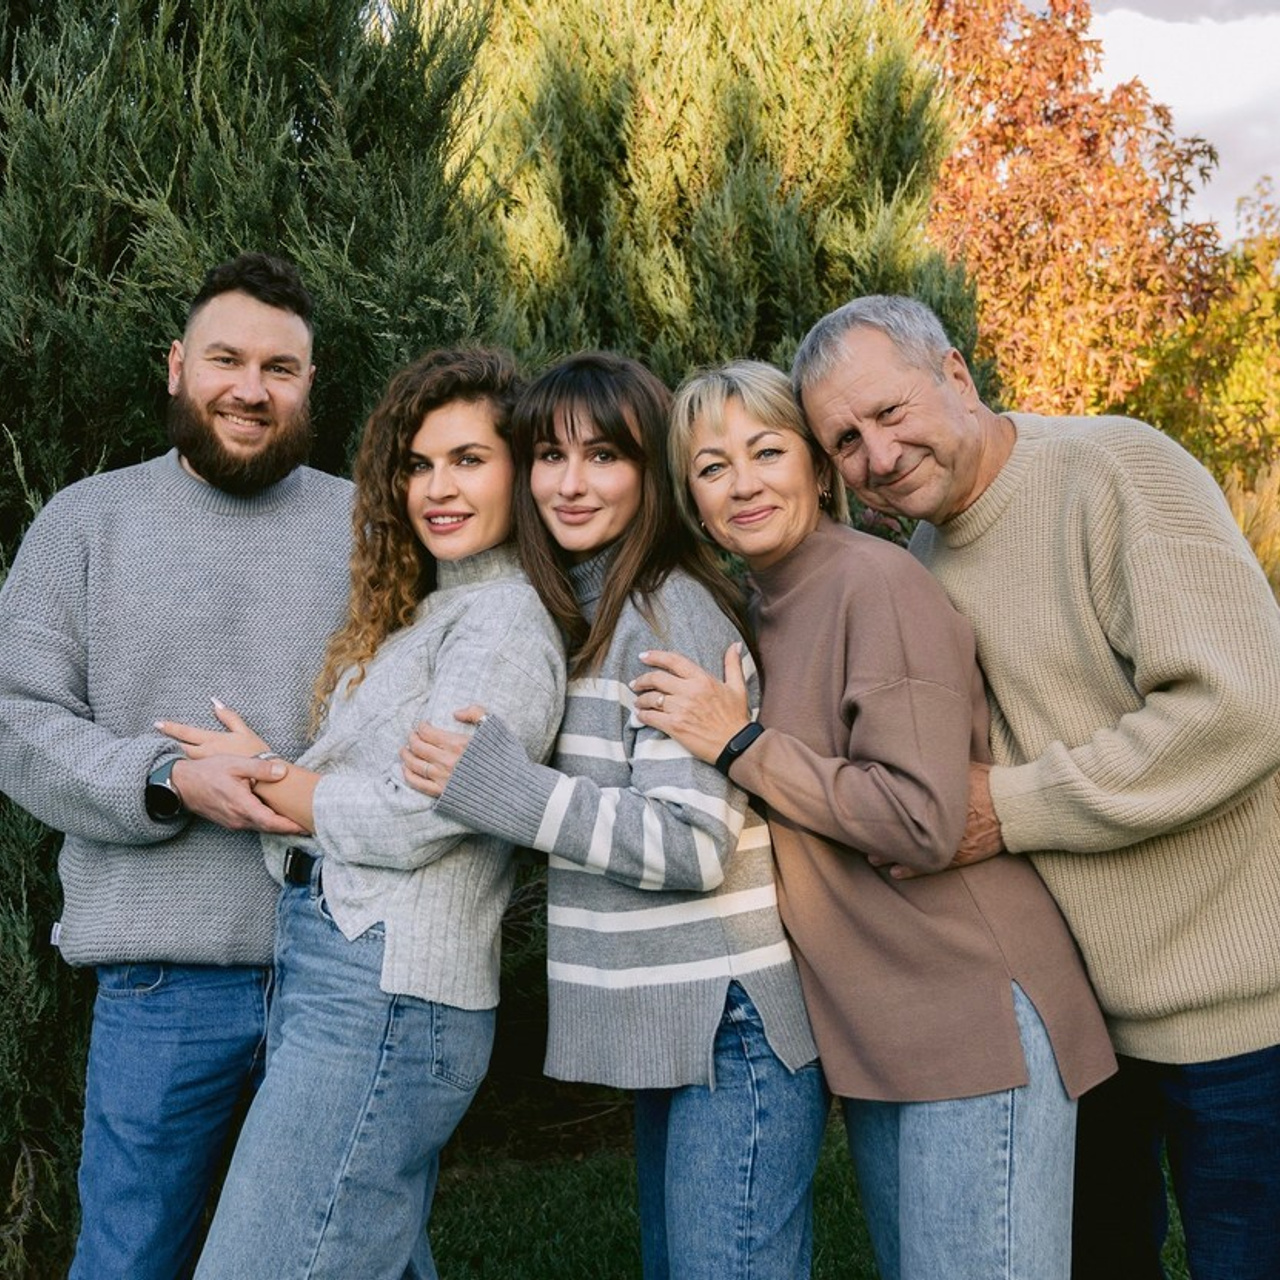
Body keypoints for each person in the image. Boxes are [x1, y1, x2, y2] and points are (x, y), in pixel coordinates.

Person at [790, 293, 1280, 1280]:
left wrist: (1006, 807)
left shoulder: (1113, 469)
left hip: (1239, 1017)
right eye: (843, 439)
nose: (876, 456)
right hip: (1085, 1025)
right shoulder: (918, 562)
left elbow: (1240, 708)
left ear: (956, 376)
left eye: (889, 414)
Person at [632, 359, 1115, 1280]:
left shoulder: (875, 584)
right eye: (711, 466)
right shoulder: (762, 605)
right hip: (880, 1024)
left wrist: (741, 745)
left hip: (970, 1011)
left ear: (818, 470)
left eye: (768, 451)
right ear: (691, 500)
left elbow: (925, 819)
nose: (744, 483)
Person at [400, 352, 828, 1280]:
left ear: (651, 474)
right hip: (683, 1023)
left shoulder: (668, 615)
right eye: (549, 457)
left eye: (604, 456)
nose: (571, 482)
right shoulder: (589, 611)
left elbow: (692, 844)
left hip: (732, 1028)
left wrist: (512, 792)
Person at [160, 347, 565, 1280]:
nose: (438, 488)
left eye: (469, 459)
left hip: (386, 989)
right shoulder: (429, 613)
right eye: (418, 465)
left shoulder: (503, 621)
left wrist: (268, 784)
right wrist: (273, 776)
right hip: (342, 970)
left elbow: (423, 812)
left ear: (521, 467)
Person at [0, 252, 352, 1280]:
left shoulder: (368, 522)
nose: (251, 387)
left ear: (307, 386)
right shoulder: (84, 523)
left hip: (340, 969)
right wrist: (164, 776)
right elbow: (17, 719)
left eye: (279, 367)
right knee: (131, 1257)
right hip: (162, 982)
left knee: (349, 1254)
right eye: (226, 359)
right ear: (175, 367)